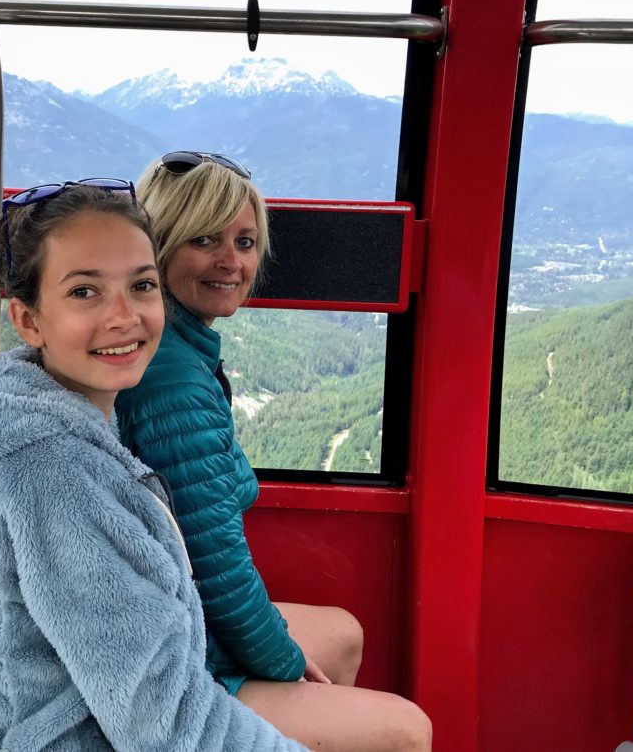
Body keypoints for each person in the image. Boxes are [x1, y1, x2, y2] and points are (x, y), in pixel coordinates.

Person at [0, 180, 306, 752]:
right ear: (29, 320)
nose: (125, 317)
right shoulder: (50, 476)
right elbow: (165, 725)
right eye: (85, 292)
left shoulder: (56, 415)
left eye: (141, 285)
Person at [116, 153, 432, 752]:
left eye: (245, 241)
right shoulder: (174, 381)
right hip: (168, 654)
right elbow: (217, 570)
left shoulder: (177, 347)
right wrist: (285, 665)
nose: (231, 262)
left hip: (174, 615)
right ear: (158, 246)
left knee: (343, 634)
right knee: (407, 733)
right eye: (203, 239)